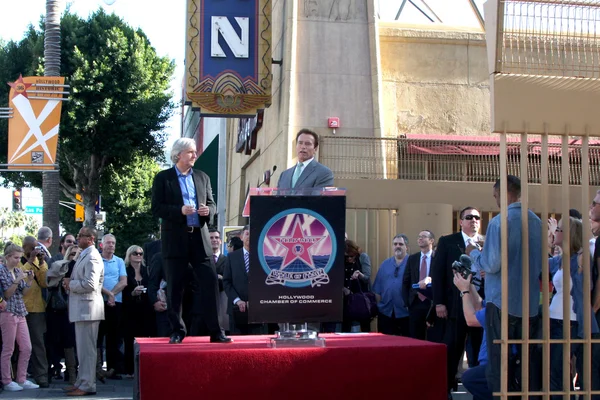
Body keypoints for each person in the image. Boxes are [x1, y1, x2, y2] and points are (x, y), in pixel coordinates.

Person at [468, 175, 542, 396]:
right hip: (529, 302)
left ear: (504, 192)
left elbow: (491, 263)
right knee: (526, 361)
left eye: (496, 196)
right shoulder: (536, 221)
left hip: (501, 301)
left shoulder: (500, 221)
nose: (496, 201)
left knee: (499, 362)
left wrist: (474, 254)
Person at [151, 137, 231, 344]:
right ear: (178, 155)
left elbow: (212, 204)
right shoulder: (163, 178)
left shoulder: (203, 177)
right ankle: (177, 330)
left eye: (195, 151)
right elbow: (156, 208)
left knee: (210, 281)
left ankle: (216, 331)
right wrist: (179, 210)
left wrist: (208, 211)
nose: (195, 155)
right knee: (175, 286)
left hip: (199, 236)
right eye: (190, 152)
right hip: (175, 239)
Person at [432, 206, 484, 396]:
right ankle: (445, 389)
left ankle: (479, 391)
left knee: (479, 352)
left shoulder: (486, 242)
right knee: (452, 349)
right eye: (469, 217)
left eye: (477, 217)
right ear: (461, 222)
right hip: (454, 306)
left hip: (480, 307)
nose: (474, 220)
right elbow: (437, 273)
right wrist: (439, 302)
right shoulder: (448, 242)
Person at [63, 227, 105, 396]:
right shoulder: (84, 254)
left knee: (87, 350)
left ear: (91, 238)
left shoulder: (93, 256)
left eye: (81, 236)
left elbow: (90, 284)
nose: (77, 239)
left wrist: (70, 285)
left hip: (88, 309)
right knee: (82, 349)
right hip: (82, 308)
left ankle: (87, 384)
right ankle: (81, 381)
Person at [547, 217, 580, 399]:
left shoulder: (579, 259)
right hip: (557, 319)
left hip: (568, 321)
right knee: (556, 371)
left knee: (557, 371)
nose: (554, 232)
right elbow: (542, 268)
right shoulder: (561, 259)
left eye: (558, 230)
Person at [0, 243, 39, 392]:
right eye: (16, 257)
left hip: (20, 311)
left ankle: (21, 378)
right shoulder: (2, 271)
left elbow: (23, 292)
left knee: (26, 347)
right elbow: (7, 294)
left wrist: (29, 280)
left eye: (20, 257)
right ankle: (6, 380)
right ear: (8, 257)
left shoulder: (17, 270)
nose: (18, 260)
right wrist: (17, 280)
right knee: (8, 348)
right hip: (7, 312)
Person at [453, 270, 492, 400]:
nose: (483, 272)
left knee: (469, 378)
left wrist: (464, 291)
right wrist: (469, 286)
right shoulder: (497, 295)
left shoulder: (503, 298)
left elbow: (471, 320)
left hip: (497, 363)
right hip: (487, 361)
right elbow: (479, 307)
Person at [19, 236, 50, 388]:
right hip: (20, 307)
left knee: (38, 343)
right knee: (18, 345)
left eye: (35, 248)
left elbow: (44, 282)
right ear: (24, 247)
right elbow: (19, 277)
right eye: (31, 248)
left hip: (37, 308)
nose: (33, 251)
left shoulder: (38, 261)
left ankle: (42, 375)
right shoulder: (18, 260)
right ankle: (17, 376)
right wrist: (30, 261)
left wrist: (42, 262)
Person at [47, 245, 80, 385]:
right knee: (52, 342)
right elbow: (50, 282)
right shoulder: (59, 266)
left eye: (77, 254)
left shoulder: (80, 269)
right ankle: (51, 370)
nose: (74, 256)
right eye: (72, 253)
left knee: (70, 343)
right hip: (57, 310)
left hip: (72, 310)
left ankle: (71, 373)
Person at [223, 225, 265, 335]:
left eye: (253, 234)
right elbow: (227, 282)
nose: (249, 237)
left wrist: (256, 301)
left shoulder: (263, 256)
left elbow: (266, 283)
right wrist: (237, 300)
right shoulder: (232, 257)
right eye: (247, 233)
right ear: (241, 237)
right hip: (236, 309)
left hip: (258, 310)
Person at [122, 245, 154, 376]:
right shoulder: (125, 271)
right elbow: (122, 290)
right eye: (135, 253)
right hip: (130, 309)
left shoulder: (147, 270)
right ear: (129, 255)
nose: (139, 256)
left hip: (145, 309)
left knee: (145, 337)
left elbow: (152, 286)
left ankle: (144, 366)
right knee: (130, 339)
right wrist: (132, 293)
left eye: (141, 253)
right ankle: (130, 369)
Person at [98, 234, 126, 378]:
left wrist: (112, 295)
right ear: (102, 245)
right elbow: (96, 281)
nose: (111, 245)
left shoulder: (119, 261)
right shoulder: (97, 260)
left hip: (115, 303)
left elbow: (123, 281)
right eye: (108, 243)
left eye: (113, 243)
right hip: (99, 302)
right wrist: (108, 294)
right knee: (98, 335)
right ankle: (97, 369)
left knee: (114, 336)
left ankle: (113, 369)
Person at [372, 234, 410, 336]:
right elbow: (377, 290)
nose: (397, 246)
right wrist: (379, 307)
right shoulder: (385, 264)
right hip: (386, 311)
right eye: (395, 244)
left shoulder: (412, 263)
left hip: (406, 313)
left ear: (406, 247)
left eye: (401, 244)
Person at [403, 230, 435, 340]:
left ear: (431, 240)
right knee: (415, 335)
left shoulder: (438, 257)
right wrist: (407, 302)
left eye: (424, 236)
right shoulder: (413, 258)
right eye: (419, 237)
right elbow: (406, 281)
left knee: (432, 334)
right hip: (415, 301)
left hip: (432, 301)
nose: (420, 239)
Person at [341, 240, 372, 332]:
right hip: (347, 298)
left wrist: (359, 274)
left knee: (364, 324)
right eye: (346, 257)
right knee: (346, 325)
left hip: (361, 297)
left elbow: (367, 277)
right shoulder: (342, 260)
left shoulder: (362, 257)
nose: (349, 259)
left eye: (351, 256)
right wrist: (343, 288)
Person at [209, 228, 229, 332]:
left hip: (222, 303)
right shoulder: (201, 261)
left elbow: (227, 281)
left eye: (216, 237)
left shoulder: (228, 261)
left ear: (220, 241)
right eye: (211, 237)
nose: (214, 240)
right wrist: (218, 277)